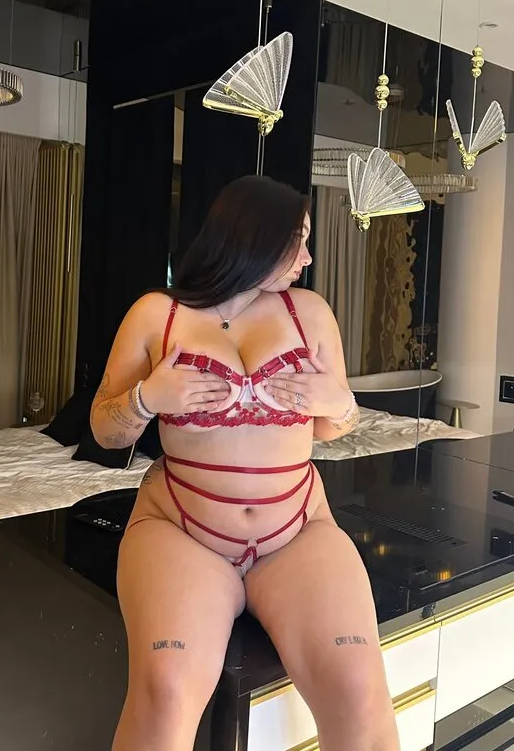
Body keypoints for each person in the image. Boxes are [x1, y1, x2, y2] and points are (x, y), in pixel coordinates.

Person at [90, 175, 399, 751]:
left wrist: (338, 403)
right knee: (166, 691)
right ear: (255, 238)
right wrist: (147, 399)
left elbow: (336, 425)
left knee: (360, 689)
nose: (307, 258)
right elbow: (105, 432)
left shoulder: (311, 313)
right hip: (182, 532)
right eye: (298, 241)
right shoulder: (156, 314)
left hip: (297, 532)